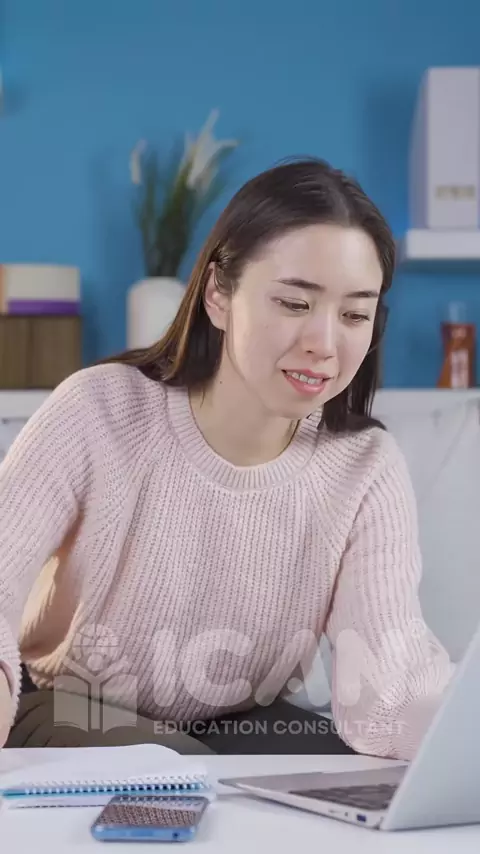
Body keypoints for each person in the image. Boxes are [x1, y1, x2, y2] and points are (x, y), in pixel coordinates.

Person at [0, 158, 453, 758]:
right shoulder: (97, 410)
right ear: (218, 293)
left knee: (343, 779)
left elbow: (386, 681)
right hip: (66, 706)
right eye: (294, 303)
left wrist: (452, 733)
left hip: (240, 721)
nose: (324, 343)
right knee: (178, 768)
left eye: (354, 314)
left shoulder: (365, 464)